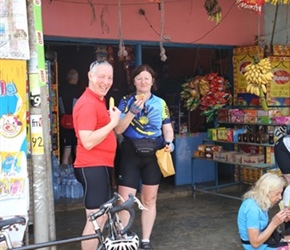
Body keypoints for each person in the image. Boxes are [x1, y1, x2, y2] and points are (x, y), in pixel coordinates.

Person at [114, 64, 174, 250]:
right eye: (139, 78)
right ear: (134, 81)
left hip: (153, 154)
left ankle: (145, 240)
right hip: (130, 152)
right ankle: (123, 238)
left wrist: (170, 142)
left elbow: (167, 128)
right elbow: (118, 129)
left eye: (147, 78)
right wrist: (132, 111)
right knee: (124, 200)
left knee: (149, 199)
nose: (143, 81)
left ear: (152, 82)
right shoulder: (125, 101)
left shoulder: (160, 103)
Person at [72, 61, 121, 250]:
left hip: (100, 165)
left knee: (100, 218)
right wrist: (112, 123)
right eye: (101, 76)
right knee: (95, 219)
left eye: (109, 78)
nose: (106, 82)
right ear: (90, 76)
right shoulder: (87, 103)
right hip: (91, 165)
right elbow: (88, 141)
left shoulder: (99, 100)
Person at [237, 173, 290, 250]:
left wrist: (282, 219)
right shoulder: (252, 209)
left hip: (265, 240)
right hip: (257, 246)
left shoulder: (259, 202)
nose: (280, 197)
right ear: (266, 192)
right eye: (277, 194)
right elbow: (255, 243)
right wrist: (274, 223)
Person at [59, 68, 85, 165]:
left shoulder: (61, 90)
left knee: (67, 150)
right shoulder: (79, 91)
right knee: (77, 150)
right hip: (76, 123)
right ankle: (78, 172)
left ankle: (65, 175)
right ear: (76, 78)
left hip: (63, 122)